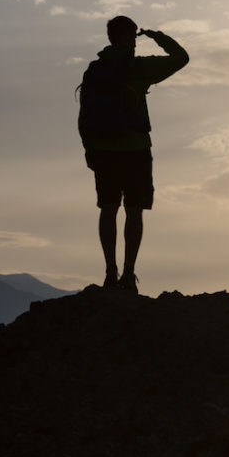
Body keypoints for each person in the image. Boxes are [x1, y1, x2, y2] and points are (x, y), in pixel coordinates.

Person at [80, 15, 188, 291]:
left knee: (107, 209)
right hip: (135, 149)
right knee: (134, 211)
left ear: (109, 37)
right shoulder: (138, 68)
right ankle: (128, 275)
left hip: (103, 150)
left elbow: (84, 115)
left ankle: (109, 273)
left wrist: (89, 150)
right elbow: (181, 57)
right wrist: (157, 36)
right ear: (130, 37)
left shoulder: (95, 70)